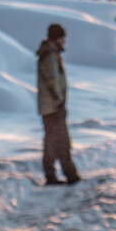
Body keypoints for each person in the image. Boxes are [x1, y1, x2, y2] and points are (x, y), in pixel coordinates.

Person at [36, 22, 80, 185]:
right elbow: (53, 81)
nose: (65, 41)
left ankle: (53, 175)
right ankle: (69, 175)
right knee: (61, 141)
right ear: (58, 38)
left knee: (52, 142)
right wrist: (59, 101)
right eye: (63, 38)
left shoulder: (49, 54)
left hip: (50, 106)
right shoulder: (50, 56)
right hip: (53, 107)